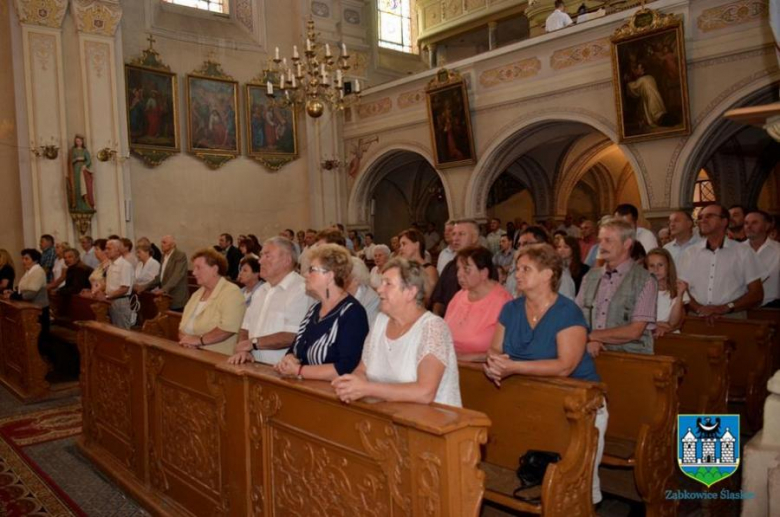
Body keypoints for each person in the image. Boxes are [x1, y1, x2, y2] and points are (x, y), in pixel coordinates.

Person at [483, 243, 606, 505]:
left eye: (526, 269)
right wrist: (494, 363)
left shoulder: (567, 311)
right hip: (530, 397)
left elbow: (565, 366)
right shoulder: (512, 309)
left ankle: (586, 503)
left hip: (579, 402)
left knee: (579, 482)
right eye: (517, 269)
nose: (517, 274)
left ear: (549, 274)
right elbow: (494, 348)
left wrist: (513, 367)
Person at [332, 258, 462, 407]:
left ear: (410, 292)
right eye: (381, 283)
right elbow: (362, 369)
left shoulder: (433, 328)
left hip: (433, 422)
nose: (379, 289)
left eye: (388, 284)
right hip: (388, 416)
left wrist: (368, 389)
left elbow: (425, 392)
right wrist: (351, 384)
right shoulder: (380, 321)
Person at [275, 245, 369, 381]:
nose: (305, 274)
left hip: (332, 395)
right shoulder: (314, 309)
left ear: (330, 276)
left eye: (312, 270)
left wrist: (299, 370)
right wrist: (289, 358)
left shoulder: (353, 313)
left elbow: (346, 367)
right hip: (305, 390)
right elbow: (296, 348)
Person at [576, 218, 658, 356]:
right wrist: (588, 339)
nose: (601, 245)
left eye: (608, 240)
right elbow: (576, 316)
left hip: (630, 358)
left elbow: (635, 331)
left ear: (626, 244)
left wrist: (592, 336)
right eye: (600, 240)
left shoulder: (645, 280)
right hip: (589, 353)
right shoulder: (590, 276)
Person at [228, 237, 311, 365]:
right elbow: (245, 327)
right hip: (254, 364)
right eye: (261, 255)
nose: (260, 261)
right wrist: (243, 350)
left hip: (282, 370)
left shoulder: (301, 290)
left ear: (286, 260)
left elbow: (293, 335)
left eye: (267, 256)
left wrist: (252, 343)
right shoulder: (261, 290)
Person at [678, 204, 763, 322]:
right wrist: (700, 309)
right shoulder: (690, 253)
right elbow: (681, 289)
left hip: (732, 318)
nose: (703, 220)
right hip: (696, 317)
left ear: (724, 221)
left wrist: (725, 308)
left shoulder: (744, 252)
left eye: (709, 216)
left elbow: (756, 293)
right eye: (701, 217)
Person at [444, 247, 512, 361]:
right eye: (458, 269)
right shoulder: (458, 296)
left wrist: (464, 358)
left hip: (481, 371)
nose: (459, 274)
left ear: (483, 273)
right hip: (451, 364)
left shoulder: (503, 302)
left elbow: (506, 352)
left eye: (466, 269)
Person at [178, 248, 246, 355]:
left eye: (198, 268)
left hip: (216, 356)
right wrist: (186, 340)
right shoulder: (197, 294)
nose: (194, 272)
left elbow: (228, 329)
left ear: (214, 269)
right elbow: (182, 326)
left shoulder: (231, 292)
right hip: (190, 352)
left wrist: (198, 341)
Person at [506, 226, 577, 300]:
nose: (521, 249)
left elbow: (564, 307)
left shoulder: (560, 277)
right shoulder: (515, 273)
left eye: (526, 244)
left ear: (543, 246)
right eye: (519, 245)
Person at [431, 219, 481, 316]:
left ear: (474, 238)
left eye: (461, 234)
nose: (455, 239)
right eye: (454, 234)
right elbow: (438, 299)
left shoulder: (484, 267)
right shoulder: (450, 266)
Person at [93, 239, 135, 329]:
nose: (106, 251)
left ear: (118, 250)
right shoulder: (111, 264)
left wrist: (106, 297)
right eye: (105, 249)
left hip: (120, 302)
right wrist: (99, 291)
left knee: (122, 331)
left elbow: (124, 288)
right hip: (111, 300)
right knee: (113, 331)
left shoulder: (125, 265)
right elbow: (110, 283)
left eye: (109, 249)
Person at [646, 248, 686, 337]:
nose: (656, 269)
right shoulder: (641, 288)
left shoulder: (677, 287)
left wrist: (679, 296)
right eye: (651, 266)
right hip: (646, 333)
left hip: (670, 336)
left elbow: (673, 323)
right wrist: (655, 325)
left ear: (668, 267)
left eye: (660, 265)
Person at [743, 210, 780, 307]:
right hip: (742, 308)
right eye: (746, 223)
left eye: (754, 222)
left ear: (767, 226)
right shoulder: (735, 251)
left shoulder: (778, 250)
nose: (749, 227)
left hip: (773, 308)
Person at [398, 228, 439, 306]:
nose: (401, 248)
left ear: (416, 245)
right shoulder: (404, 269)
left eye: (404, 244)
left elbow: (427, 300)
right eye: (400, 245)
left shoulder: (430, 271)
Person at [150, 235, 189, 311]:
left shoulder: (180, 255)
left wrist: (163, 289)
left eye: (164, 242)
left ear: (172, 245)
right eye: (161, 242)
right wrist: (144, 287)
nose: (161, 244)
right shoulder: (163, 256)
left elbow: (177, 275)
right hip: (165, 297)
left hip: (177, 297)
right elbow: (160, 277)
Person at [347, 256, 381, 327]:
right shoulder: (339, 293)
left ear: (355, 280)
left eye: (344, 275)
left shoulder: (372, 300)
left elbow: (366, 328)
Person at [67, 135, 95, 212]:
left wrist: (85, 165)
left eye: (79, 141)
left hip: (83, 169)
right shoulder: (73, 150)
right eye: (76, 141)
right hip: (76, 169)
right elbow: (71, 161)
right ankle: (77, 203)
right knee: (77, 185)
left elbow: (89, 160)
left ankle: (85, 202)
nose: (78, 142)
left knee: (84, 185)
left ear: (82, 142)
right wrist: (76, 159)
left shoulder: (85, 151)